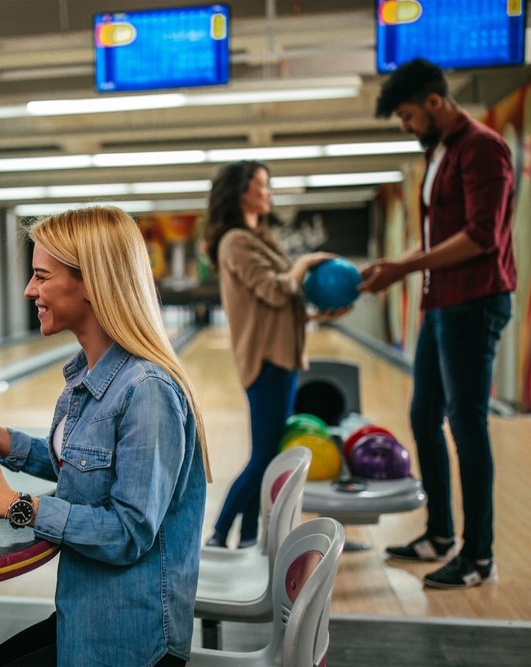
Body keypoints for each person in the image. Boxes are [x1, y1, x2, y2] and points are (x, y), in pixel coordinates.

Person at [0, 206, 209, 666]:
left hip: (130, 640)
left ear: (91, 282)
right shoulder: (87, 376)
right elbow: (88, 471)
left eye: (40, 276)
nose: (29, 290)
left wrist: (13, 505)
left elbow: (128, 533)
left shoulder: (146, 392)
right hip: (86, 617)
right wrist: (6, 442)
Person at [361, 58, 516, 589]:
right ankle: (441, 535)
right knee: (424, 416)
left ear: (434, 102)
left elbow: (481, 237)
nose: (405, 127)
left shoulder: (483, 147)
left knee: (466, 427)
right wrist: (397, 270)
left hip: (474, 303)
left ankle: (479, 556)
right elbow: (435, 242)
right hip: (441, 304)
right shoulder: (442, 153)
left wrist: (401, 268)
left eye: (406, 115)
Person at [202, 160, 343, 549]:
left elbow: (280, 304)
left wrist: (318, 314)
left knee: (265, 454)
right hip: (266, 359)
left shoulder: (259, 238)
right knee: (264, 456)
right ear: (241, 190)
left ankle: (247, 538)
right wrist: (303, 264)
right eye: (262, 184)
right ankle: (218, 534)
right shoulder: (235, 241)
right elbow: (277, 290)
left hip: (281, 355)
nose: (269, 192)